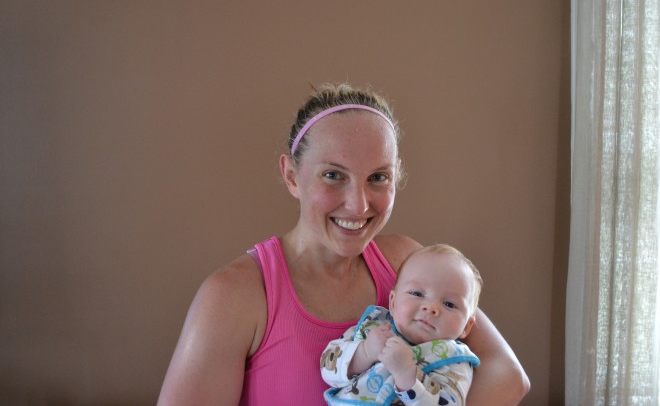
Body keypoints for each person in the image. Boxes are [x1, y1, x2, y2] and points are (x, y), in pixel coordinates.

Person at [158, 83, 530, 405]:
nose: (359, 204)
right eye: (333, 175)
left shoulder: (407, 263)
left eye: (378, 177)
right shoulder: (234, 296)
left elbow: (507, 375)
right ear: (291, 175)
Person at [321, 244, 482, 406]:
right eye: (417, 294)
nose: (431, 308)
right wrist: (364, 352)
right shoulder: (374, 327)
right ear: (392, 302)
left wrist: (407, 375)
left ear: (466, 327)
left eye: (449, 304)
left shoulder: (454, 361)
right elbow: (327, 367)